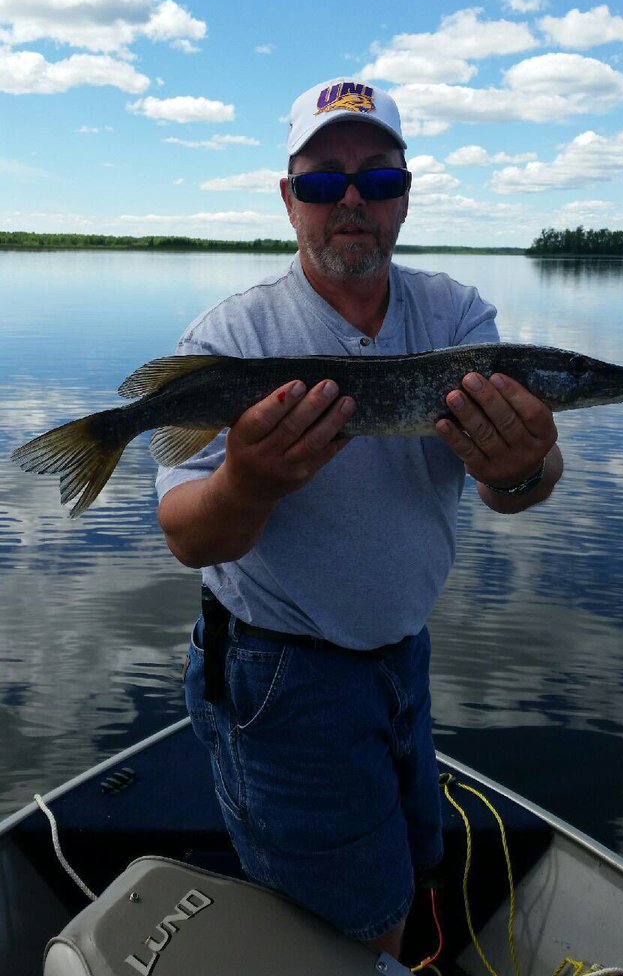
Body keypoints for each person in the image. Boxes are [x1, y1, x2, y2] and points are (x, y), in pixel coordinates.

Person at [157, 78, 563, 960]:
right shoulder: (231, 335)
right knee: (351, 925)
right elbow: (188, 535)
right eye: (322, 181)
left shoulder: (458, 317)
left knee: (412, 871)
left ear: (403, 197)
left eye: (377, 179)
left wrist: (523, 466)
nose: (351, 201)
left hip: (403, 656)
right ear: (289, 198)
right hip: (280, 673)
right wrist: (248, 483)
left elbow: (513, 492)